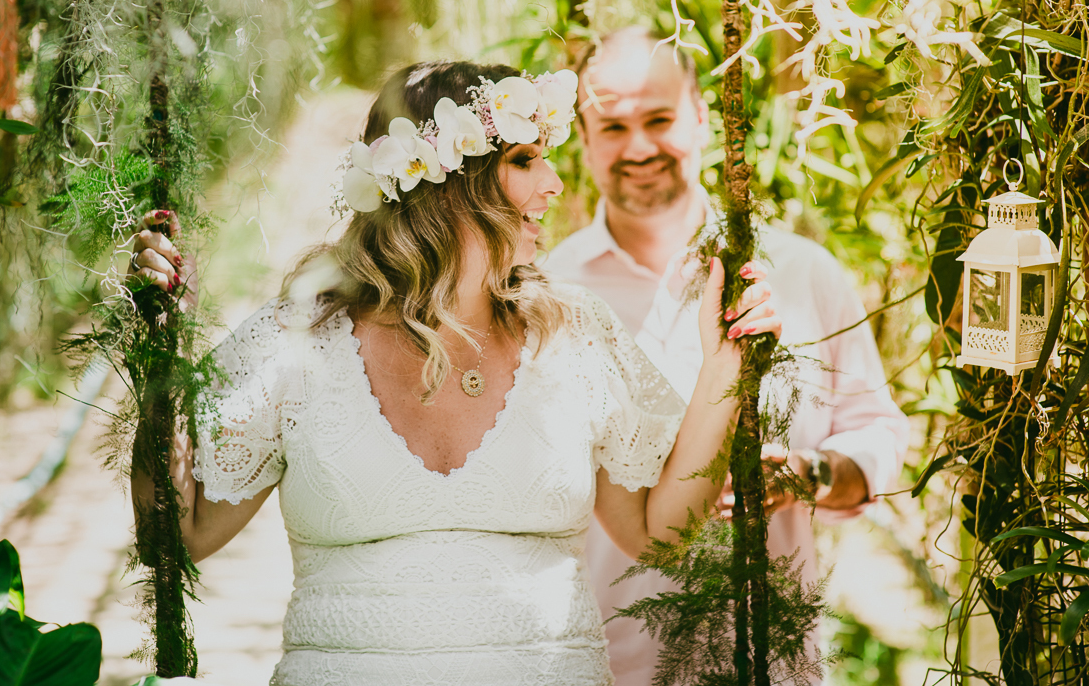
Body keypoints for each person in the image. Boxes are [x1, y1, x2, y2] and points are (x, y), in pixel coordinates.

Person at [126, 60, 783, 685]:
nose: (554, 183)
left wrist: (724, 370)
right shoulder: (298, 338)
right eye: (525, 160)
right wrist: (160, 359)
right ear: (449, 182)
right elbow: (176, 537)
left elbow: (659, 531)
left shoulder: (576, 331)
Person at [542, 27, 910, 686]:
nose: (640, 147)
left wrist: (810, 473)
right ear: (584, 135)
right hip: (606, 663)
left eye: (659, 119)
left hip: (773, 659)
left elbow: (878, 433)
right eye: (614, 126)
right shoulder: (550, 295)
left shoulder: (800, 273)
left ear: (703, 115)